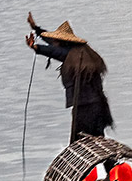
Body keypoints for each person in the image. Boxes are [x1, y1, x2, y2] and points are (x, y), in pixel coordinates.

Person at [26, 13, 114, 141]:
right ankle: (109, 161)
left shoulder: (72, 54)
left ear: (63, 42)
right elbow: (53, 43)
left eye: (56, 41)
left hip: (85, 107)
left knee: (79, 139)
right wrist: (36, 28)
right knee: (98, 138)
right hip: (98, 104)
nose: (54, 43)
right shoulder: (82, 50)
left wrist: (36, 47)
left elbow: (54, 51)